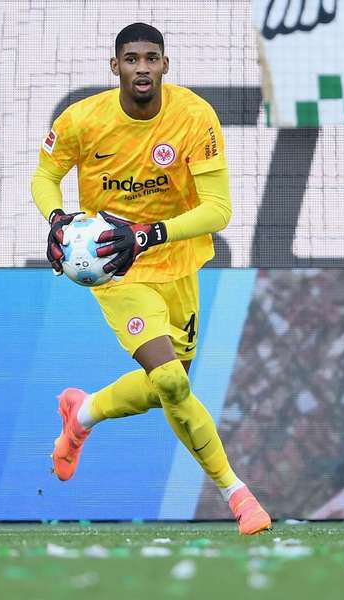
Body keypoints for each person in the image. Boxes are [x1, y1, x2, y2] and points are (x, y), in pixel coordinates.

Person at [30, 23, 271, 535]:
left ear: (165, 65)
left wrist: (149, 233)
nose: (142, 68)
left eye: (151, 58)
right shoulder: (82, 120)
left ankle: (83, 413)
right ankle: (237, 494)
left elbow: (219, 210)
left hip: (176, 263)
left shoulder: (193, 117)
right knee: (169, 379)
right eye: (132, 59)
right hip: (117, 271)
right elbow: (45, 176)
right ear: (114, 66)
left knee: (170, 382)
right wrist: (55, 219)